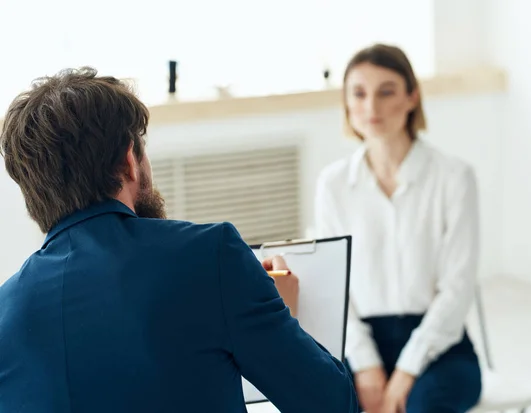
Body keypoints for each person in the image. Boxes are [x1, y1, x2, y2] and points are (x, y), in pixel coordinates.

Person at [0, 67, 359, 413]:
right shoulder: (210, 256)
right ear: (130, 161)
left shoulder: (7, 311)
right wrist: (285, 317)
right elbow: (329, 401)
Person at [314, 44, 482, 413]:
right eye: (359, 93)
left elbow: (457, 288)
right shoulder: (333, 184)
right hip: (358, 346)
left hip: (440, 348)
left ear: (411, 97)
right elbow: (333, 287)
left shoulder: (454, 178)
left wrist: (406, 371)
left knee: (423, 406)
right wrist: (367, 366)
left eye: (386, 91)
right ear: (346, 102)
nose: (371, 107)